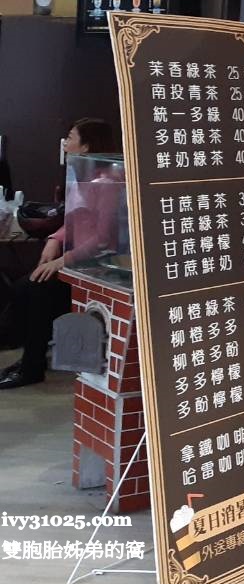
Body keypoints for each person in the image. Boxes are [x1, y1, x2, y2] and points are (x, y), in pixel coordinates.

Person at [0, 118, 119, 390]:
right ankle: (27, 358)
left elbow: (104, 238)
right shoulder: (81, 177)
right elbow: (72, 220)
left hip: (98, 266)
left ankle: (32, 368)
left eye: (71, 137)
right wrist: (54, 240)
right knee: (23, 288)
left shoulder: (108, 183)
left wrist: (62, 261)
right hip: (76, 260)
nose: (65, 143)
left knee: (39, 290)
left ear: (86, 146)